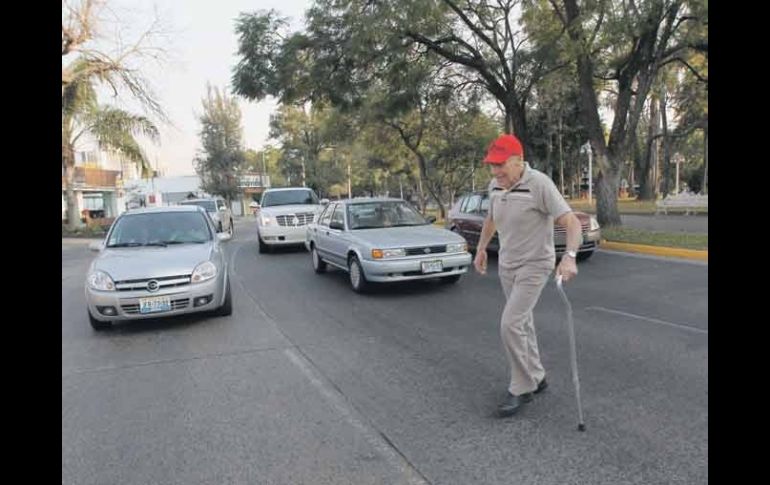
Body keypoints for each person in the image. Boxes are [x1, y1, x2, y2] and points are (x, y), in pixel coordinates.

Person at [474, 133, 583, 418]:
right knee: (523, 322)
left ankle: (522, 387)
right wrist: (482, 249)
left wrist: (569, 257)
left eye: (501, 165)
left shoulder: (539, 184)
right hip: (508, 264)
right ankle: (537, 375)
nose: (495, 171)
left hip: (535, 264)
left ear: (518, 162)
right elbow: (492, 219)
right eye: (492, 166)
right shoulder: (495, 186)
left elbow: (571, 222)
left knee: (510, 324)